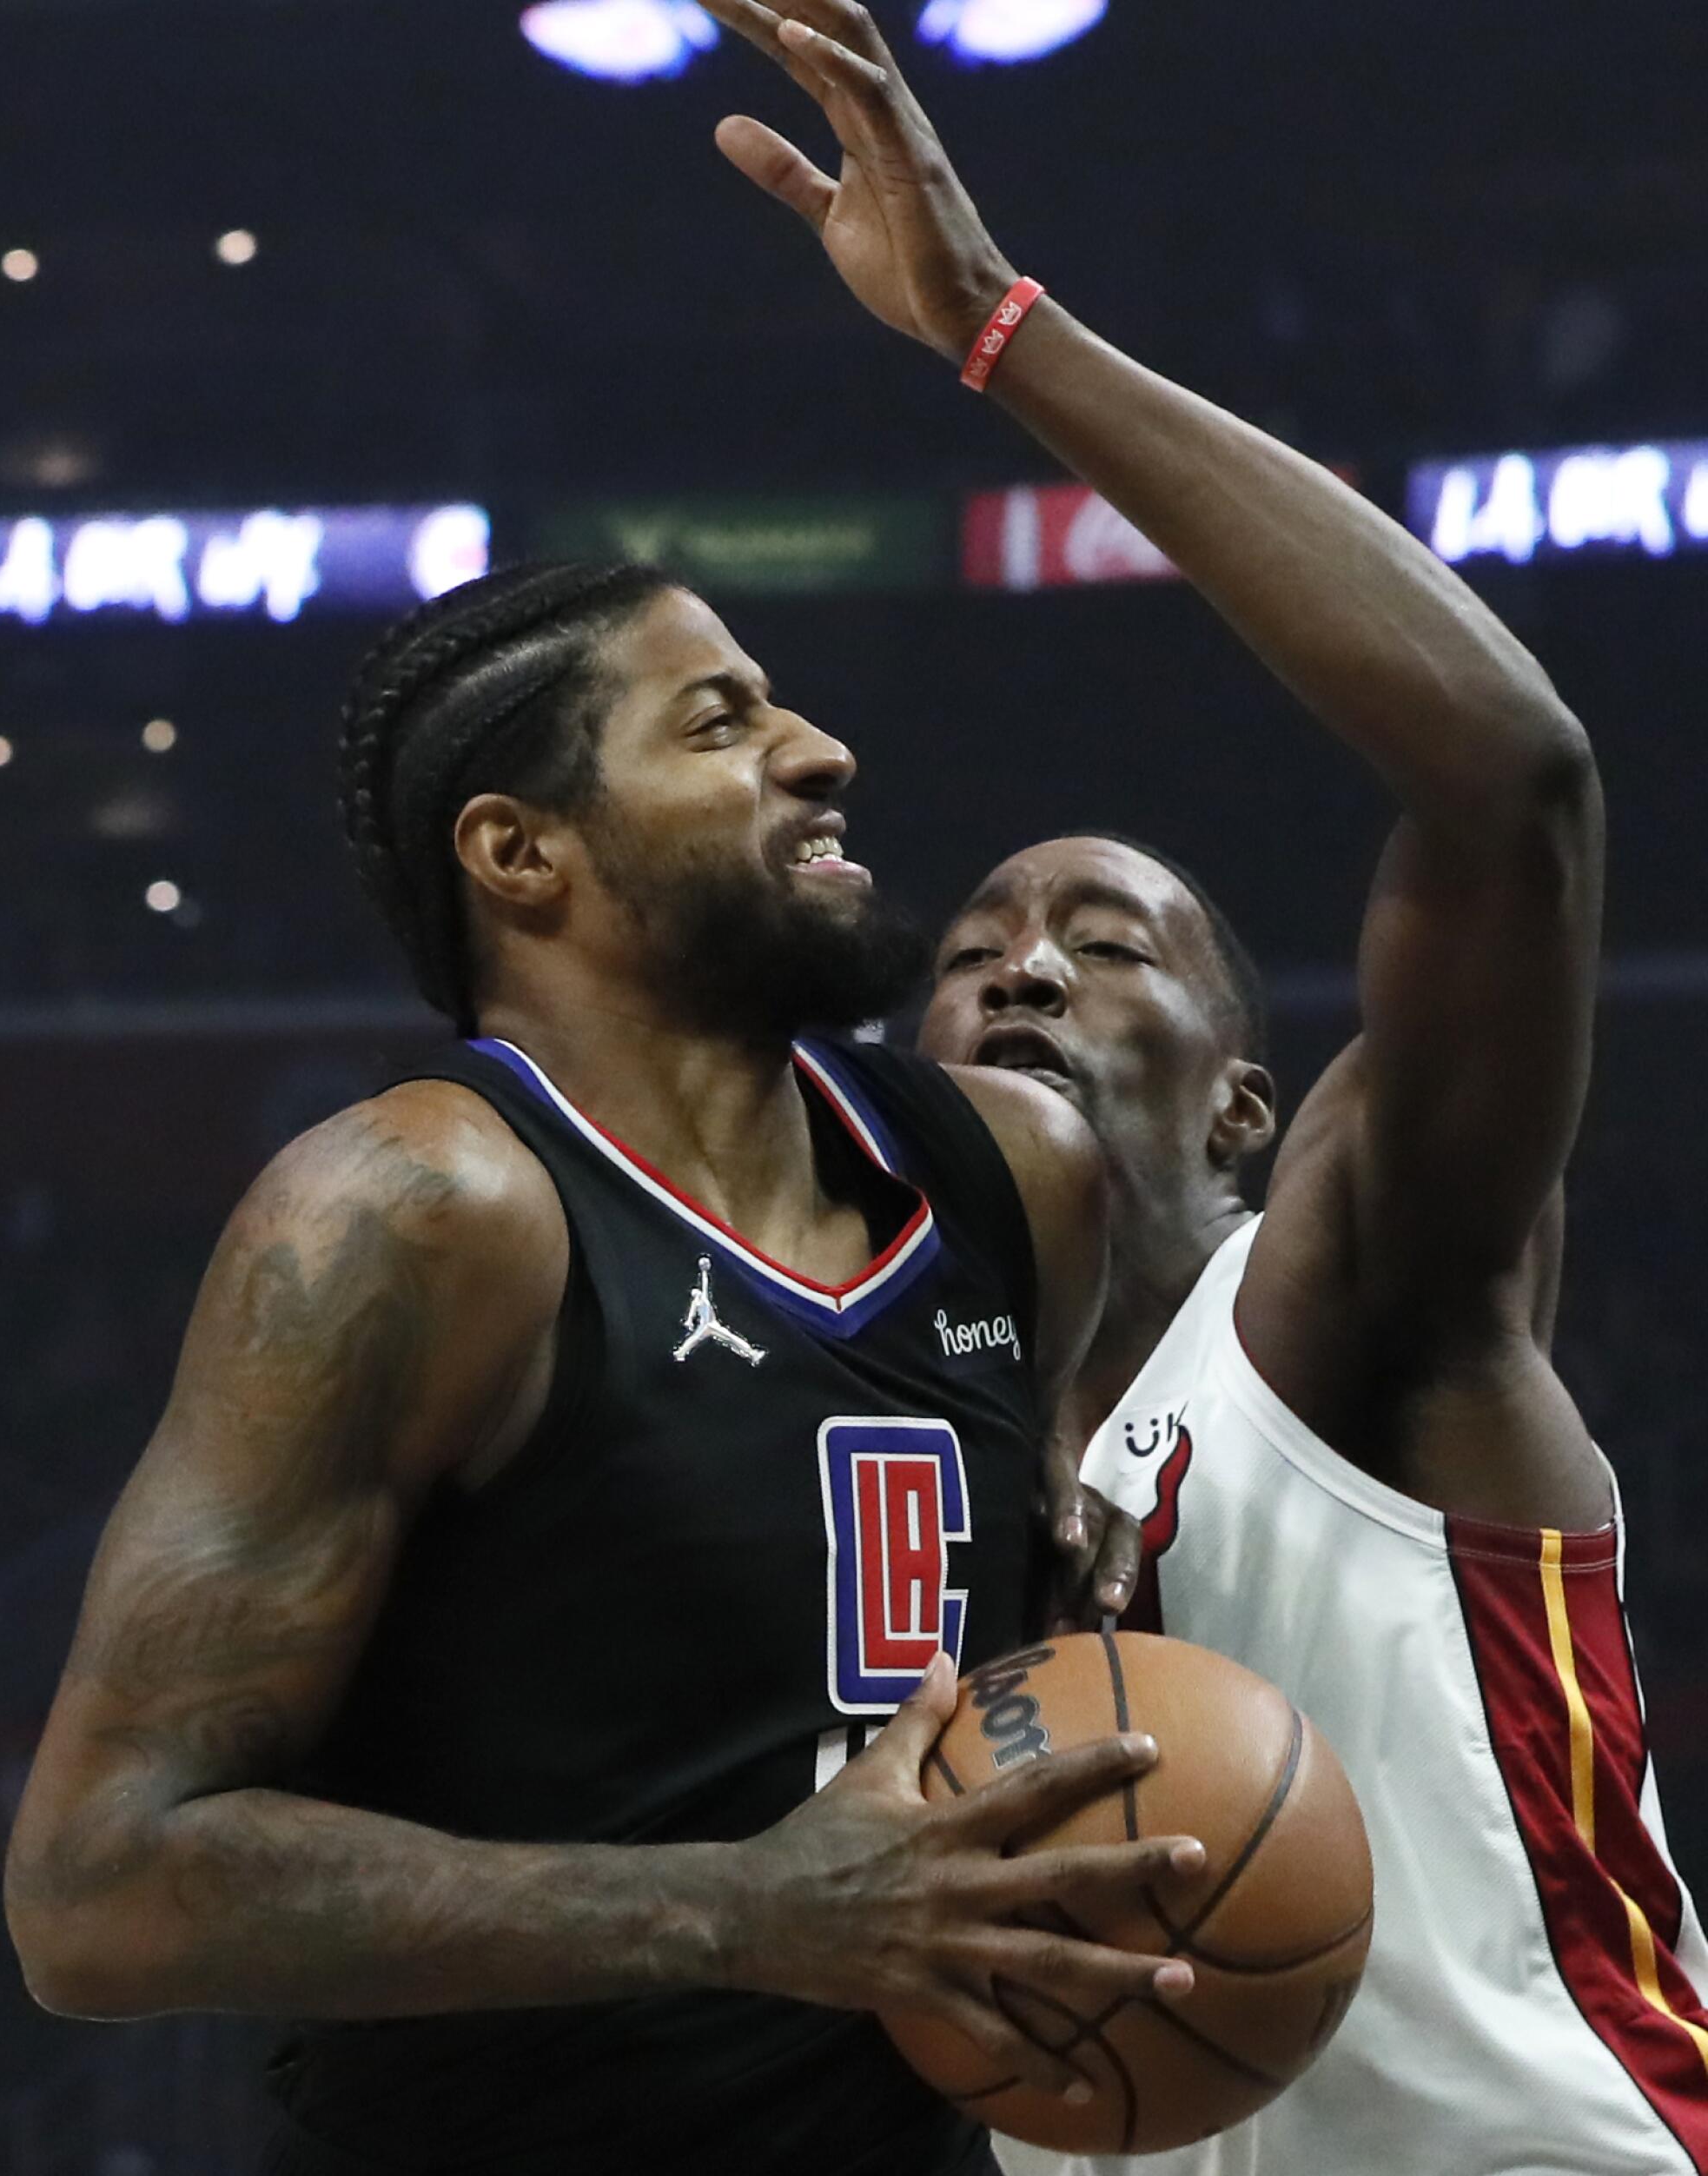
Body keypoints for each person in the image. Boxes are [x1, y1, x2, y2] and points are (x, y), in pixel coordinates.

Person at [673, 0, 1708, 2162]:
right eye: (963, 960)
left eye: (1102, 942)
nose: (1019, 963)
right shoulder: (891, 1471)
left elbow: (1509, 780)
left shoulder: (1336, 1303)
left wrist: (997, 334)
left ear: (1246, 1113)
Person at [3, 555, 1196, 2176]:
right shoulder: (421, 1212)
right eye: (721, 723)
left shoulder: (1019, 1174)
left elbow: (991, 1549)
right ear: (520, 851)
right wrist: (747, 1912)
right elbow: (98, 1889)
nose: (821, 748)